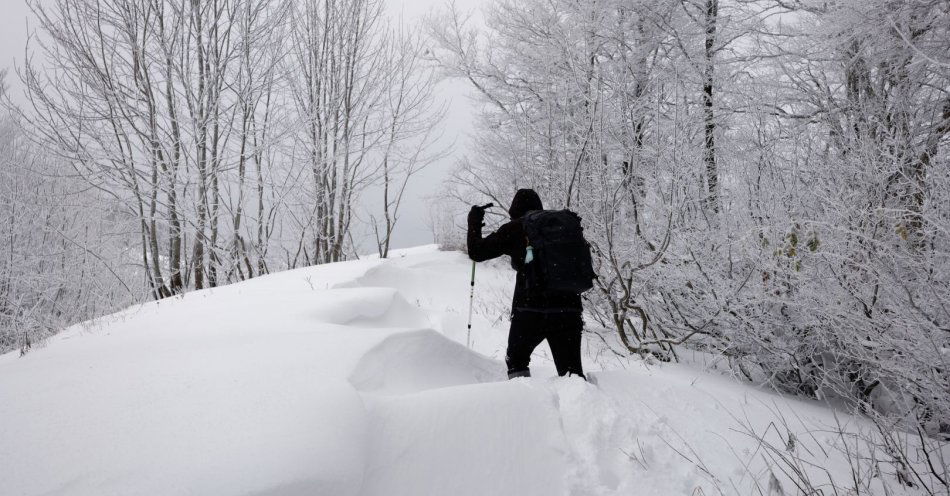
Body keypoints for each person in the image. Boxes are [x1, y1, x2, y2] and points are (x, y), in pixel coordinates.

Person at [467, 189, 586, 380]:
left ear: (514, 211)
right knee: (571, 374)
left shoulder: (516, 228)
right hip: (568, 309)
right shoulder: (563, 226)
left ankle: (524, 403)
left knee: (516, 361)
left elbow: (477, 252)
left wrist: (474, 221)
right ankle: (582, 405)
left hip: (530, 310)